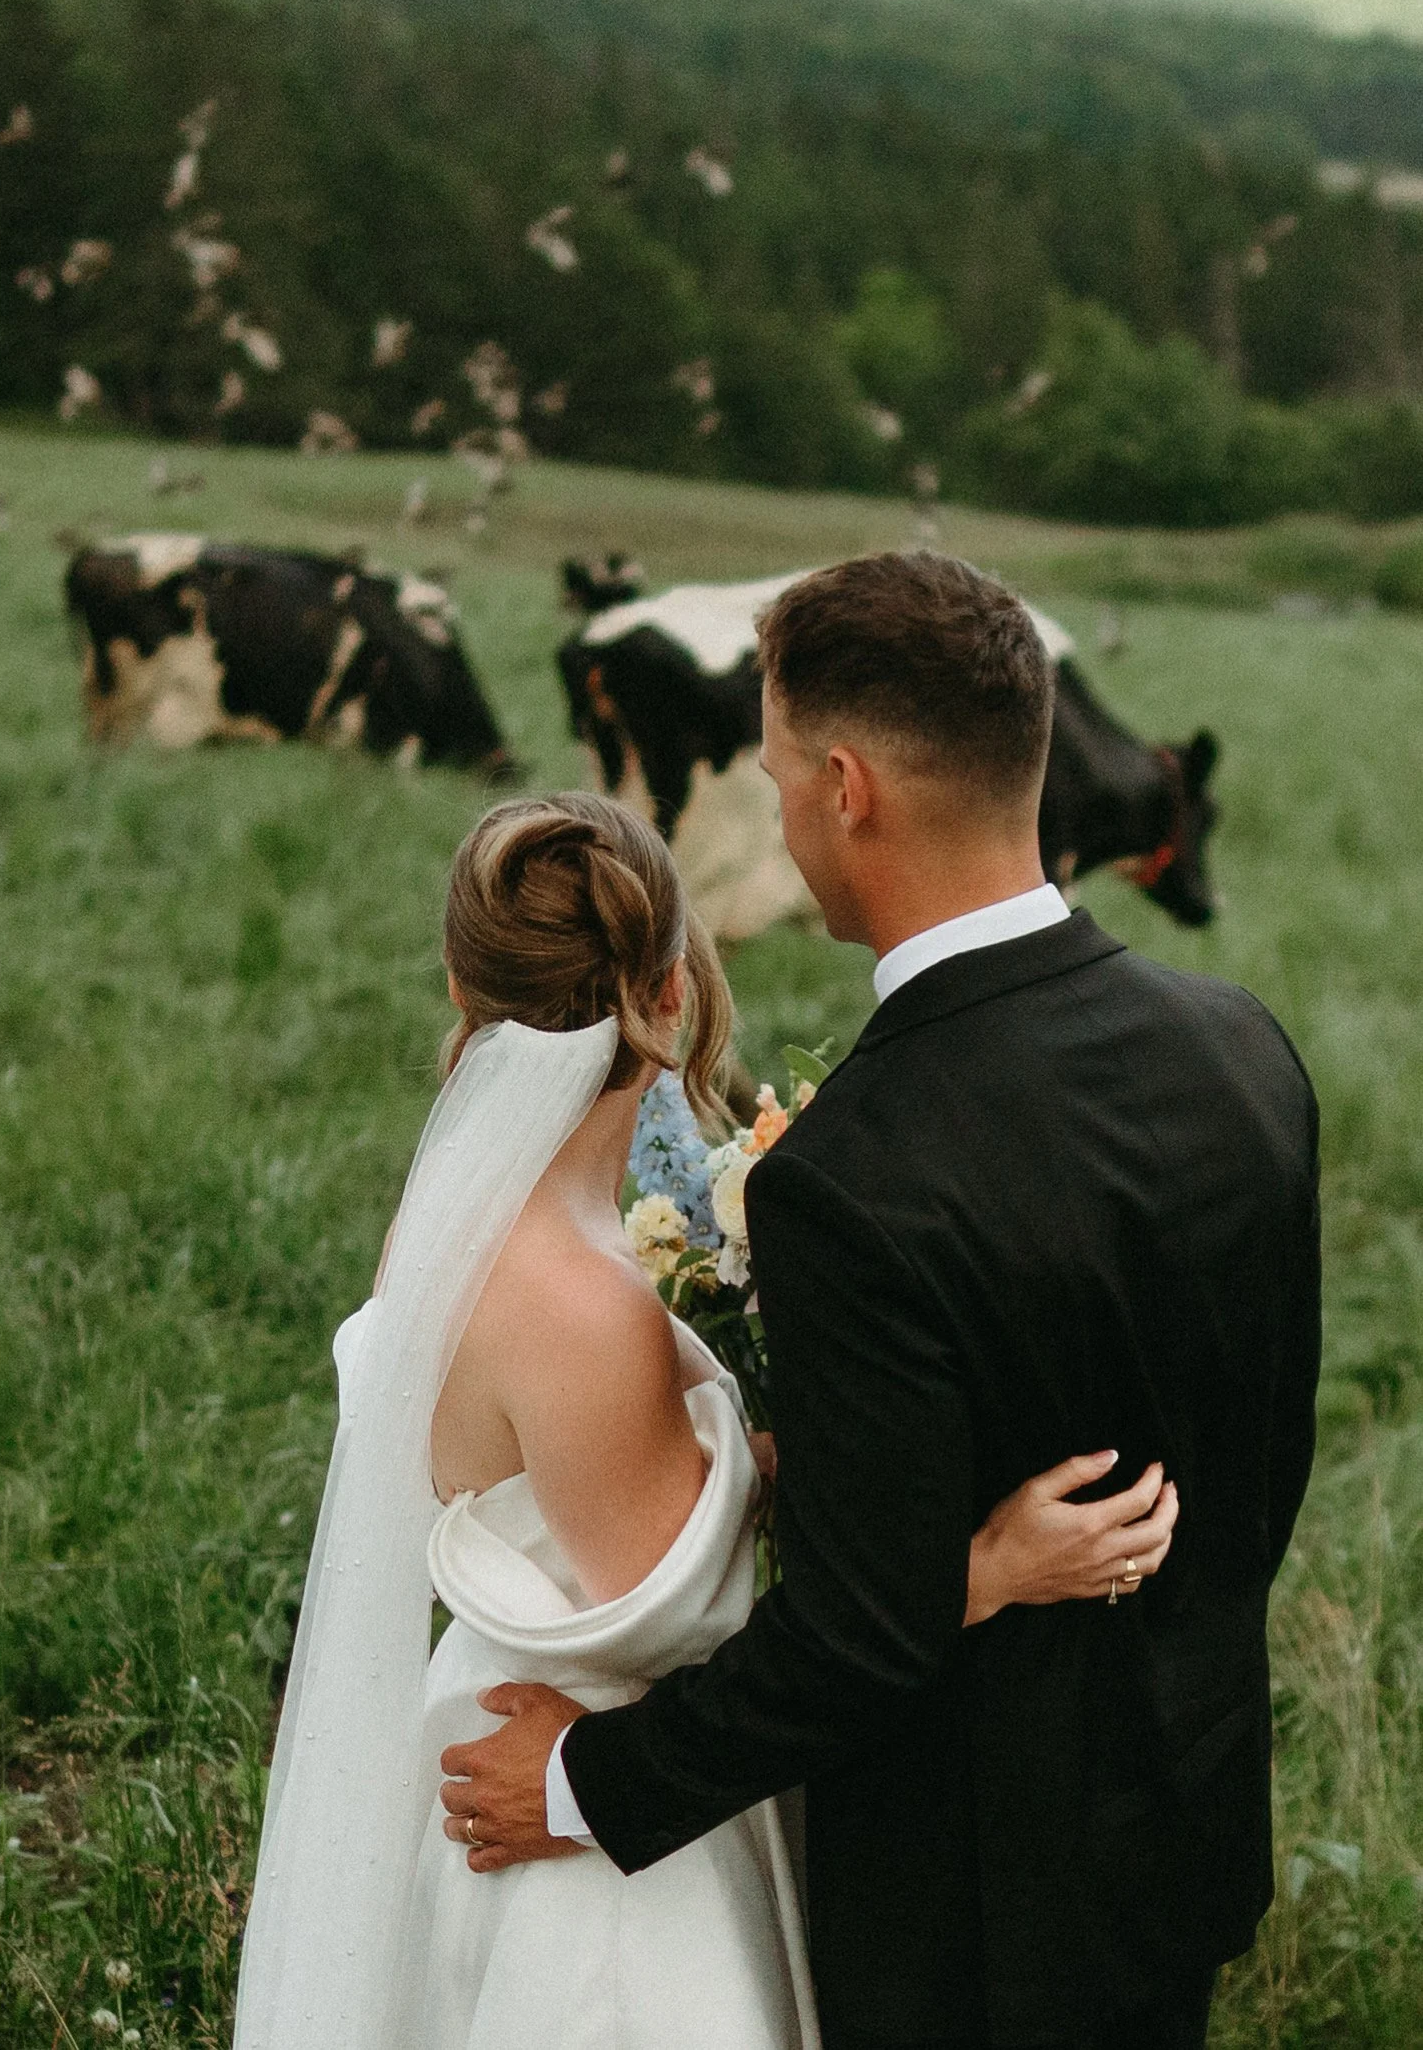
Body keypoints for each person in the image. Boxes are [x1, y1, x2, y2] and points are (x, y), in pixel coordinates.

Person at [439, 555, 1322, 2050]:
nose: (776, 811)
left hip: (964, 1908)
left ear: (844, 786)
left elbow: (854, 1633)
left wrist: (587, 1783)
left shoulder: (852, 1175)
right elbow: (1259, 1468)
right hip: (1183, 1830)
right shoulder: (1240, 1047)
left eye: (780, 773)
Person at [236, 769, 1185, 2050]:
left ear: (463, 989)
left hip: (503, 1722)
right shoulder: (581, 1305)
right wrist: (985, 1566)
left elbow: (608, 1506)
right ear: (673, 988)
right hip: (604, 1840)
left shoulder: (462, 1226)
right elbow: (704, 1612)